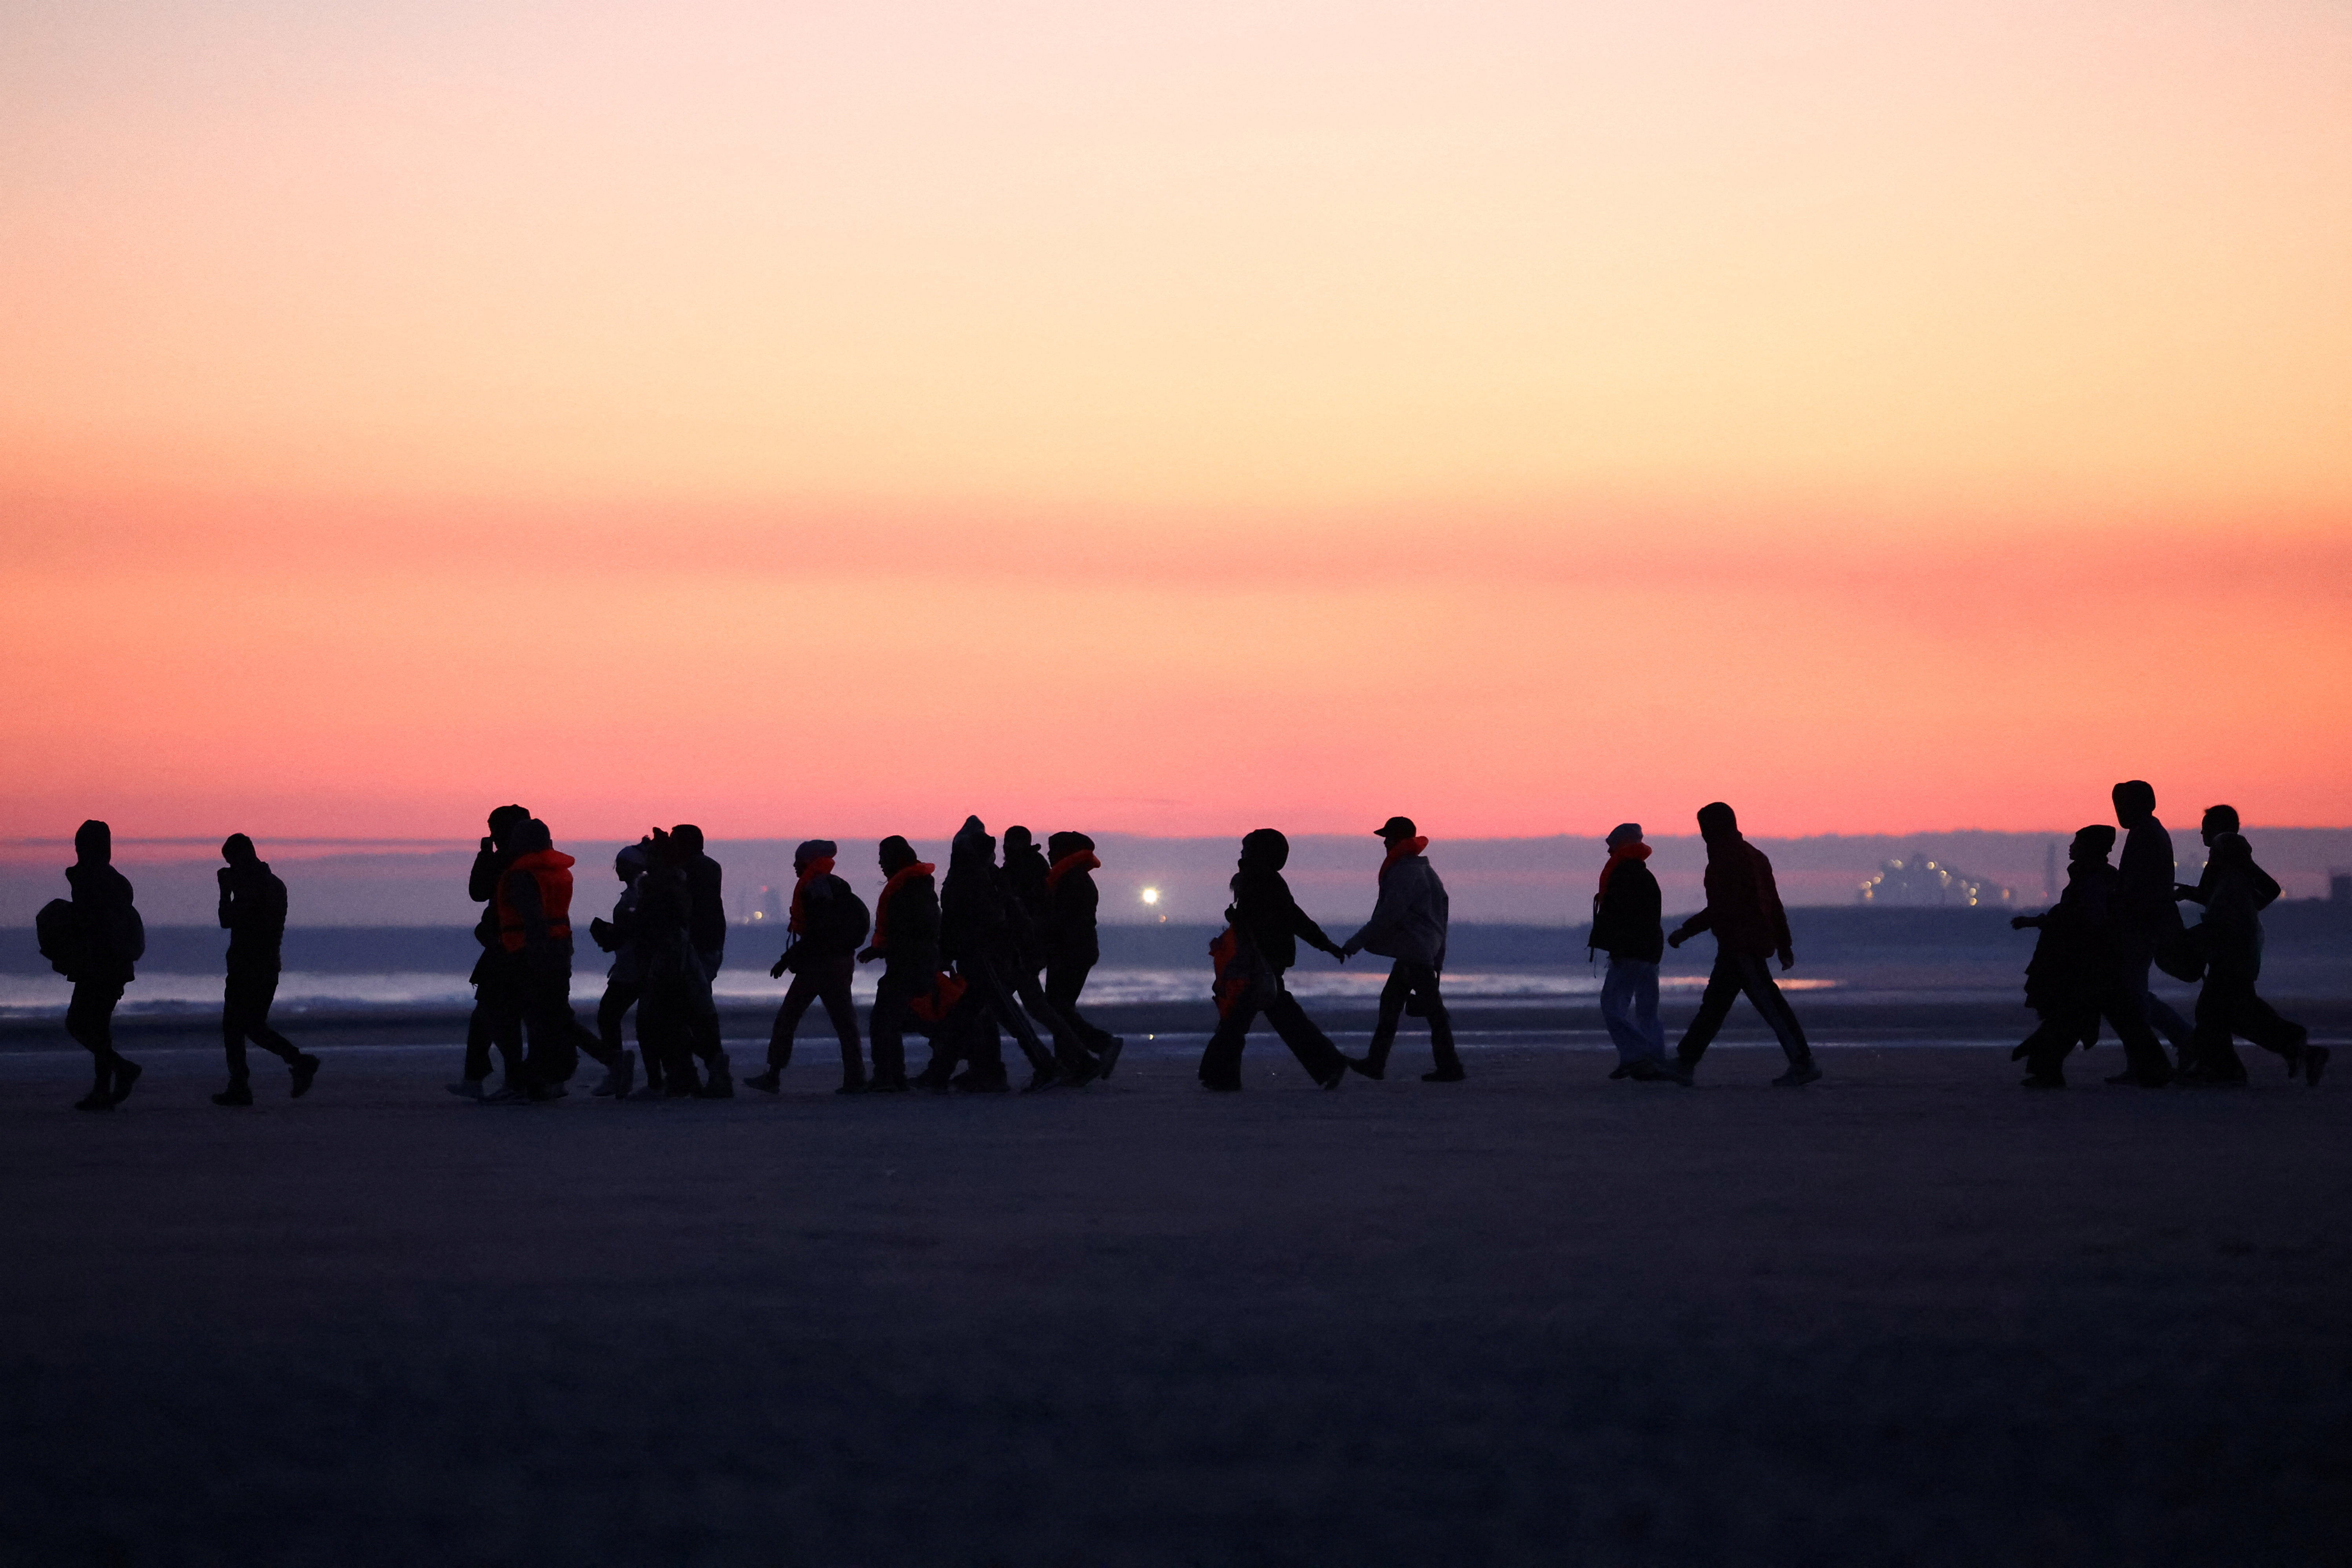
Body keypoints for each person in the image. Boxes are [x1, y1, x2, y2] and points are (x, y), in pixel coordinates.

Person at [1664, 802, 1820, 1087]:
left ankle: (1803, 1062)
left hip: (1742, 945)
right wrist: (1784, 946)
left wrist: (1685, 932)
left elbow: (1723, 908)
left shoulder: (1728, 860)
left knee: (1769, 1005)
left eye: (1705, 828)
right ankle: (1685, 1063)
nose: (1702, 835)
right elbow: (1774, 906)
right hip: (1740, 945)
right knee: (1715, 1006)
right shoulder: (1754, 856)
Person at [938, 816, 1092, 1091]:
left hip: (1004, 957)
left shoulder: (996, 878)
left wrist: (1029, 952)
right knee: (990, 1014)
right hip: (1004, 956)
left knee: (1017, 1013)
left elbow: (1016, 918)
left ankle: (1063, 1062)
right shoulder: (993, 875)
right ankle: (969, 1071)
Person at [1198, 828, 1349, 1092]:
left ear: (1260, 853)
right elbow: (1288, 918)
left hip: (1260, 963)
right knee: (1280, 1017)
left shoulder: (1261, 880)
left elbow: (1288, 919)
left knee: (1237, 1019)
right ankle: (1328, 1064)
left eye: (1247, 849)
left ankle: (1220, 1077)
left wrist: (1325, 944)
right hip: (1264, 961)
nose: (1242, 853)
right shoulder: (1261, 880)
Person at [484, 818, 624, 1103]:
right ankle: (547, 1079)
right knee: (554, 1018)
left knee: (544, 1019)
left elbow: (533, 920)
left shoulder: (522, 875)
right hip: (560, 948)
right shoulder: (558, 872)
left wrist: (534, 956)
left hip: (530, 953)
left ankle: (604, 1063)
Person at [2178, 822, 2319, 1085]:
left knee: (2212, 1013)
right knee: (2233, 1014)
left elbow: (2224, 923)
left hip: (2231, 960)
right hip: (2238, 958)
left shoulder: (2231, 885)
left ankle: (2228, 1069)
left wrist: (2191, 938)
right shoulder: (2235, 881)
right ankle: (2294, 1049)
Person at [1340, 816, 1461, 1082]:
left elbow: (1388, 915)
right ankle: (1377, 1063)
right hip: (1423, 949)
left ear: (1397, 840)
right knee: (1394, 1004)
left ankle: (1449, 1066)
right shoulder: (1427, 872)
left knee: (1431, 1010)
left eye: (1388, 837)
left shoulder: (1404, 872)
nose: (1384, 842)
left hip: (1414, 950)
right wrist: (1438, 957)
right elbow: (1442, 918)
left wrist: (1355, 943)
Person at [748, 840, 871, 1095]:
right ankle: (856, 1078)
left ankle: (773, 1075)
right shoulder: (832, 885)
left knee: (788, 1018)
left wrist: (789, 958)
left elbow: (818, 930)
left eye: (799, 861)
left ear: (810, 861)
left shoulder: (817, 887)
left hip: (820, 965)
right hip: (839, 962)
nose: (795, 866)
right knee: (845, 1023)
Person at [212, 834, 321, 1105]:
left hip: (248, 967)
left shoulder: (254, 887)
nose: (231, 868)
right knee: (252, 1026)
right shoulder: (275, 884)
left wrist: (226, 891)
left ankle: (243, 1084)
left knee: (236, 1028)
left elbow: (227, 920)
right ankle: (295, 1062)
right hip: (268, 966)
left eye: (232, 862)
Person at [2008, 826, 2121, 1089]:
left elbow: (2082, 919)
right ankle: (2045, 1066)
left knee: (2068, 1015)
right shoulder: (2092, 876)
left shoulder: (2094, 879)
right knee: (2069, 1016)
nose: (2072, 847)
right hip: (2071, 956)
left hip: (2075, 959)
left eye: (2077, 843)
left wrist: (2039, 922)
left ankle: (2043, 1063)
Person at [2109, 780, 2192, 1083]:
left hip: (2141, 927)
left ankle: (2184, 1043)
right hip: (2143, 925)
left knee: (2134, 997)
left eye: (2123, 805)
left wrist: (2120, 909)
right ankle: (2148, 1059)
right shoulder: (2147, 832)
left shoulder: (2146, 836)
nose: (2119, 812)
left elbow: (2138, 888)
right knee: (2134, 997)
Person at [60, 819, 144, 1111]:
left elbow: (93, 926)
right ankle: (101, 1089)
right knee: (98, 1028)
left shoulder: (93, 881)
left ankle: (122, 1069)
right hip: (114, 965)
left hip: (100, 965)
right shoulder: (112, 880)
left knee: (78, 1023)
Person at [449, 805, 529, 1099]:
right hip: (510, 945)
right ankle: (477, 1077)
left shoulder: (511, 860)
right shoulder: (528, 859)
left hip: (509, 949)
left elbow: (478, 891)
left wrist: (485, 855)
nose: (492, 835)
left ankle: (513, 1081)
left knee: (499, 1016)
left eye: (494, 829)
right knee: (489, 1014)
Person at [858, 835, 941, 1094]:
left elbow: (915, 930)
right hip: (911, 962)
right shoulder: (913, 885)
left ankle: (890, 1077)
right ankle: (895, 1075)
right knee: (904, 1019)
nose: (881, 864)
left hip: (910, 964)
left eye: (884, 858)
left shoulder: (911, 887)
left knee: (886, 1020)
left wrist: (883, 949)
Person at [1588, 822, 1670, 1081]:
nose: (1609, 849)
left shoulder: (1624, 874)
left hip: (1631, 953)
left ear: (1622, 843)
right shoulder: (1644, 874)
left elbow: (1622, 918)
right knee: (1648, 1011)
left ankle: (1637, 1057)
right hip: (1650, 952)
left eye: (1611, 843)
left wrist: (1618, 948)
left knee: (1612, 1006)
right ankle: (1654, 1059)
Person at [1044, 831, 1123, 1078]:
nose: (1049, 854)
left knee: (1058, 1007)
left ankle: (1100, 1045)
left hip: (1072, 951)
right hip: (1077, 950)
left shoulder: (1072, 880)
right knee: (1059, 1007)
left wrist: (1055, 947)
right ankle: (1072, 1064)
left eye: (1053, 849)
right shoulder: (1072, 878)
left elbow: (1067, 921)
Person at [586, 842, 650, 1098]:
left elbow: (637, 929)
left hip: (633, 968)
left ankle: (617, 1069)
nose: (617, 871)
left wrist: (614, 934)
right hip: (631, 964)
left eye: (622, 865)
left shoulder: (638, 893)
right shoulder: (637, 893)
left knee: (609, 1016)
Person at [673, 824, 731, 1089]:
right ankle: (700, 1071)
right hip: (708, 945)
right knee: (692, 1010)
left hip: (696, 948)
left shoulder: (692, 870)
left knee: (690, 1011)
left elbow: (678, 896)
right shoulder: (710, 867)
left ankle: (709, 1066)